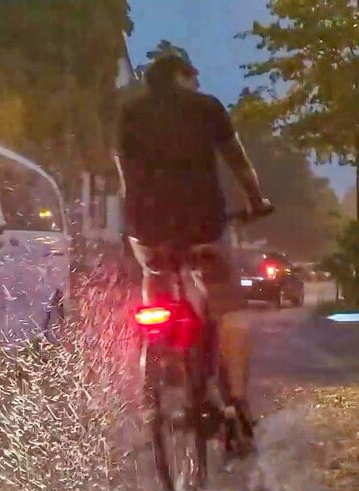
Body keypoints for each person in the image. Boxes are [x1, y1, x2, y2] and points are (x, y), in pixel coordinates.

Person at [114, 51, 272, 448]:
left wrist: (135, 223)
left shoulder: (130, 115)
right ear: (183, 77)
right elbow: (238, 162)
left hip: (147, 229)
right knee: (230, 307)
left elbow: (125, 178)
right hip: (204, 226)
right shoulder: (207, 108)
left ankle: (160, 347)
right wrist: (256, 199)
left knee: (156, 275)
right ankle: (237, 404)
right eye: (194, 77)